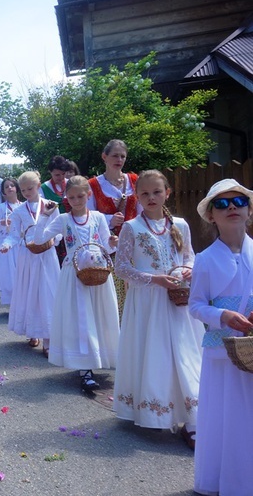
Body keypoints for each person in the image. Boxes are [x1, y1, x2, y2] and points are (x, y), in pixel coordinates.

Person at [113, 170, 202, 444]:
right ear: (137, 196)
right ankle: (156, 410)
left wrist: (187, 269)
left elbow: (190, 255)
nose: (151, 198)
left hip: (178, 301)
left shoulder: (181, 225)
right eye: (144, 193)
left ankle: (194, 417)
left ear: (168, 193)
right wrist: (154, 279)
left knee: (184, 353)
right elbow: (122, 267)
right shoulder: (131, 227)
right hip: (148, 303)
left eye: (156, 192)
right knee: (156, 355)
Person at [188, 179, 253, 496]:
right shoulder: (205, 259)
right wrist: (222, 316)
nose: (231, 208)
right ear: (211, 215)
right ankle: (229, 481)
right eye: (222, 203)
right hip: (223, 352)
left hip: (252, 347)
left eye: (239, 202)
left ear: (249, 211)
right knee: (228, 417)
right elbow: (196, 305)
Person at [33, 176, 119, 392]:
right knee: (82, 318)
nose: (76, 200)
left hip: (98, 273)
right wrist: (44, 216)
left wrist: (112, 243)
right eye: (71, 197)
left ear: (88, 195)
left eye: (81, 196)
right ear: (66, 199)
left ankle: (104, 357)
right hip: (74, 275)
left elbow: (107, 248)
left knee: (99, 315)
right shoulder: (63, 220)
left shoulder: (98, 218)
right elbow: (39, 237)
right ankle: (85, 368)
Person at [0, 171, 60, 353]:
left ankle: (49, 338)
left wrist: (53, 240)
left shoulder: (51, 206)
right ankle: (33, 332)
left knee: (48, 294)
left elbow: (58, 228)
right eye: (23, 190)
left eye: (30, 188)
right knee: (30, 293)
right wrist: (6, 245)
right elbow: (13, 234)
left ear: (39, 185)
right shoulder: (19, 211)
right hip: (27, 256)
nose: (26, 192)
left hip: (47, 255)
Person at [88, 139, 141, 315]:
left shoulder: (134, 180)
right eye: (115, 155)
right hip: (109, 245)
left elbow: (143, 210)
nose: (119, 159)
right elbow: (88, 216)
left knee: (137, 289)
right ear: (105, 157)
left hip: (135, 243)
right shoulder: (94, 184)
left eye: (122, 156)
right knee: (115, 292)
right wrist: (109, 219)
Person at [0, 177, 23, 305]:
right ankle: (12, 304)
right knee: (9, 275)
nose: (10, 188)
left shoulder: (23, 206)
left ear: (17, 188)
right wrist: (1, 223)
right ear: (3, 191)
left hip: (21, 244)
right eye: (6, 187)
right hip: (6, 244)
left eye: (12, 185)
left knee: (22, 274)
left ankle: (23, 303)